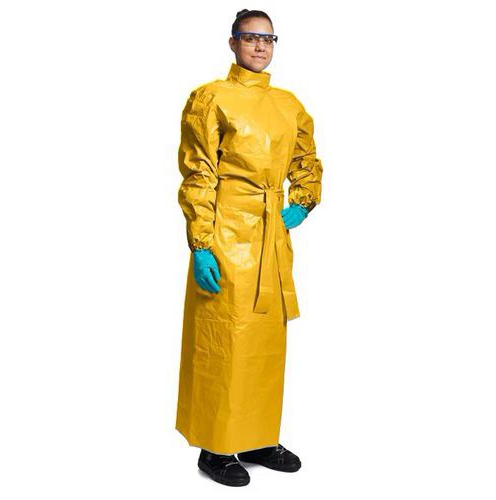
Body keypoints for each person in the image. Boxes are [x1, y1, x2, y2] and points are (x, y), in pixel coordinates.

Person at [175, 8, 324, 487]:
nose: (260, 46)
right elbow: (199, 171)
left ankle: (259, 436)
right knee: (224, 340)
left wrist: (303, 201)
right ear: (233, 42)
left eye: (268, 39)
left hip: (270, 236)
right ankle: (216, 447)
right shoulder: (211, 98)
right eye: (250, 37)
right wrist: (201, 243)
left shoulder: (287, 104)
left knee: (265, 343)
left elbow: (306, 159)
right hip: (226, 229)